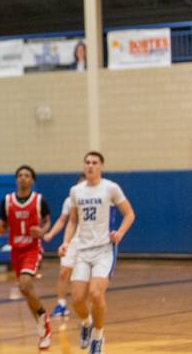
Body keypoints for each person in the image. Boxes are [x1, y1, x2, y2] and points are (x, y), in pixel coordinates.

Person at [59, 152, 135, 354]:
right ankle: (86, 323)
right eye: (87, 162)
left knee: (95, 293)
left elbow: (129, 214)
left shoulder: (111, 188)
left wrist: (119, 233)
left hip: (103, 249)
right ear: (84, 166)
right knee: (76, 299)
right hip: (82, 250)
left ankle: (98, 336)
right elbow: (73, 221)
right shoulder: (76, 191)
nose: (90, 166)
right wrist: (66, 242)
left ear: (101, 166)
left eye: (95, 163)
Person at [0, 165, 52, 349]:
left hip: (32, 249)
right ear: (16, 179)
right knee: (26, 291)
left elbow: (48, 221)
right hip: (15, 250)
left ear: (32, 180)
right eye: (20, 175)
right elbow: (2, 226)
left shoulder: (39, 200)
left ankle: (43, 318)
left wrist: (41, 230)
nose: (23, 178)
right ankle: (42, 328)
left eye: (27, 175)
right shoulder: (7, 201)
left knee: (25, 284)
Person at [44, 174, 88, 319]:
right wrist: (51, 234)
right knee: (64, 272)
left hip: (90, 243)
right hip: (73, 241)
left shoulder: (98, 199)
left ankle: (84, 307)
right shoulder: (70, 200)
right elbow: (64, 220)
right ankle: (61, 305)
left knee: (83, 278)